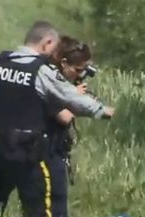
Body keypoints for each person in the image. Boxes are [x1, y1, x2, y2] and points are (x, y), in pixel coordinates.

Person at [0, 21, 114, 217]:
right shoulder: (41, 71)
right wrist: (102, 110)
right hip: (28, 152)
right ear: (47, 43)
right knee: (44, 209)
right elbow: (71, 101)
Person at [48, 35, 95, 186]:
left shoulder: (60, 81)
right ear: (64, 63)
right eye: (77, 70)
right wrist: (74, 97)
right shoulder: (48, 81)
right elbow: (64, 117)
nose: (80, 74)